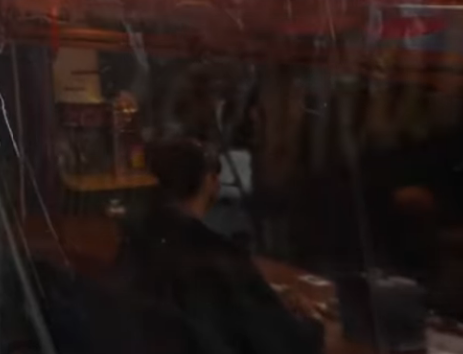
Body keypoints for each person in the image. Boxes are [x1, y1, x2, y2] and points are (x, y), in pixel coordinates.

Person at [113, 138, 323, 354]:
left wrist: (270, 303)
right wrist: (312, 321)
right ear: (209, 181)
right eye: (216, 175)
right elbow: (284, 342)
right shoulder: (220, 255)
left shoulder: (136, 239)